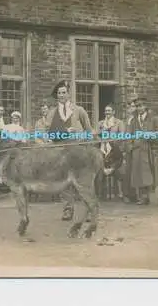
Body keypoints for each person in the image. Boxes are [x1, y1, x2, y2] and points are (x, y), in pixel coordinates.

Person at [45, 80, 93, 221]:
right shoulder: (52, 113)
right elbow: (49, 133)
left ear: (69, 93)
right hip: (60, 152)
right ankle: (68, 209)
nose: (61, 95)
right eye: (59, 93)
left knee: (82, 182)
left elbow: (89, 131)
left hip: (77, 151)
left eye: (64, 92)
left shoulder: (79, 110)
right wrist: (63, 132)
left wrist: (85, 142)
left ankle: (89, 210)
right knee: (64, 182)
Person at [126, 95, 158, 205]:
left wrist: (150, 135)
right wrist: (130, 147)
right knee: (140, 174)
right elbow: (128, 135)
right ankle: (143, 197)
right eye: (137, 106)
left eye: (141, 106)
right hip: (138, 150)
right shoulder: (133, 121)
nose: (139, 108)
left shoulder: (154, 119)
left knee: (156, 174)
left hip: (152, 149)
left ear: (146, 106)